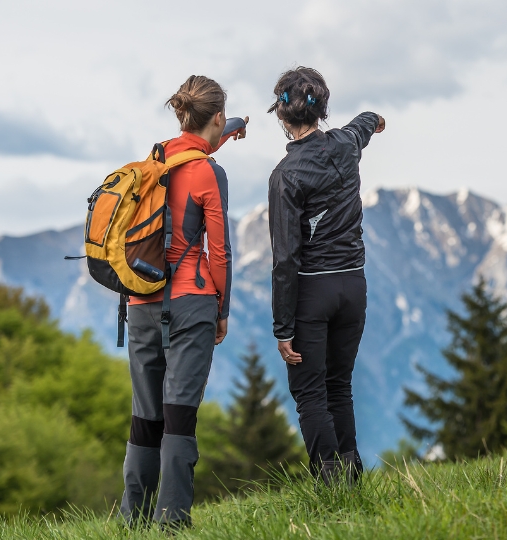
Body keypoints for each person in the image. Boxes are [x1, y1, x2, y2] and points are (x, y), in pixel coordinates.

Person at [119, 75, 247, 529]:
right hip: (191, 303)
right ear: (215, 116)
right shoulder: (209, 172)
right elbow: (221, 251)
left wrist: (228, 129)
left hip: (139, 302)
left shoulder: (156, 159)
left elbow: (195, 147)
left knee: (145, 416)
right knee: (179, 417)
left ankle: (131, 519)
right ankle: (172, 522)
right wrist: (223, 309)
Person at [267, 67, 385, 485]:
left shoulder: (285, 175)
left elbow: (285, 258)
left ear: (282, 116)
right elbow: (365, 122)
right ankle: (352, 478)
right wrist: (376, 119)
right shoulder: (347, 142)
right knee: (340, 385)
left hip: (313, 291)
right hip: (354, 284)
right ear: (323, 108)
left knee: (310, 393)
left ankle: (330, 484)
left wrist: (283, 326)